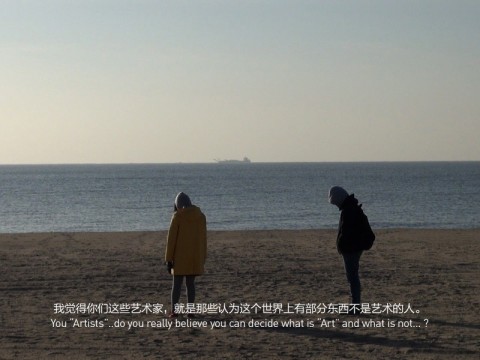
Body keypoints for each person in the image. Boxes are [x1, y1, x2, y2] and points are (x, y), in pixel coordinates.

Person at [165, 192, 207, 318]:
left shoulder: (177, 216)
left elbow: (171, 240)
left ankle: (174, 310)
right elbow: (203, 239)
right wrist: (203, 256)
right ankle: (190, 311)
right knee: (190, 284)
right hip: (194, 257)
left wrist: (168, 259)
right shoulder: (200, 216)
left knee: (177, 284)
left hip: (179, 257)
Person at [328, 186, 365, 312]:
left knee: (352, 277)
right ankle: (356, 304)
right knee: (353, 276)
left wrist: (342, 245)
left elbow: (346, 232)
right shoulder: (351, 207)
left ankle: (356, 306)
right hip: (354, 247)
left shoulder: (348, 210)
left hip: (351, 248)